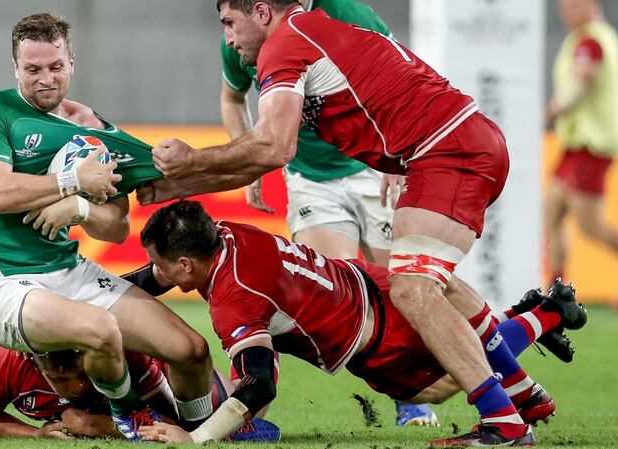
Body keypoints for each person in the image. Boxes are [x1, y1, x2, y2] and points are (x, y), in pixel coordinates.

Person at [138, 1, 543, 444]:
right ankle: (525, 392)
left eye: (230, 24)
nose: (228, 39)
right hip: (453, 143)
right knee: (433, 284)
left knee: (412, 289)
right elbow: (267, 151)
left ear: (260, 12)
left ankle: (503, 420)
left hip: (442, 151)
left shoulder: (286, 43)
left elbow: (273, 148)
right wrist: (178, 185)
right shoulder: (307, 30)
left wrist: (193, 159)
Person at [0, 12, 215, 440]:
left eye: (55, 67)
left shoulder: (91, 130)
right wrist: (73, 181)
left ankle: (201, 431)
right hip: (0, 284)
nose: (45, 79)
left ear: (72, 62)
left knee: (190, 351)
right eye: (33, 69)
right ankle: (134, 419)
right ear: (15, 68)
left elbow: (115, 228)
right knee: (99, 329)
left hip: (68, 271)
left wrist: (78, 208)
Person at [134, 201, 587, 444]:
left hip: (374, 336)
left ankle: (544, 315)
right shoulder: (226, 233)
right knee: (455, 330)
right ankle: (541, 315)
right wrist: (100, 290)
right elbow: (259, 338)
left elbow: (261, 386)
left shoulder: (235, 299)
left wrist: (196, 438)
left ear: (187, 264)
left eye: (160, 262)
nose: (155, 270)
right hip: (365, 280)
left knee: (443, 383)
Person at [218, 0, 435, 426]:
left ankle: (422, 387)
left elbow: (400, 82)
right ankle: (254, 413)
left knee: (403, 290)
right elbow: (231, 97)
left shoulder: (348, 11)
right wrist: (247, 161)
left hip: (371, 166)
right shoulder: (244, 32)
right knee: (340, 295)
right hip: (310, 178)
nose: (227, 30)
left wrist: (399, 153)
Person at [0, 344, 280, 441]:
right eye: (61, 379)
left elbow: (172, 420)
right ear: (35, 364)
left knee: (213, 413)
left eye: (82, 373)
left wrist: (99, 425)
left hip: (170, 386)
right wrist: (36, 435)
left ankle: (259, 359)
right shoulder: (4, 363)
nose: (79, 386)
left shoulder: (121, 357)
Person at [545, 0, 618, 289]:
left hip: (592, 145)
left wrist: (553, 109)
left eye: (572, 5)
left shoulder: (591, 40)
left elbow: (579, 84)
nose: (565, 12)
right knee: (552, 211)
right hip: (576, 143)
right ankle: (556, 288)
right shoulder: (591, 37)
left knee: (592, 226)